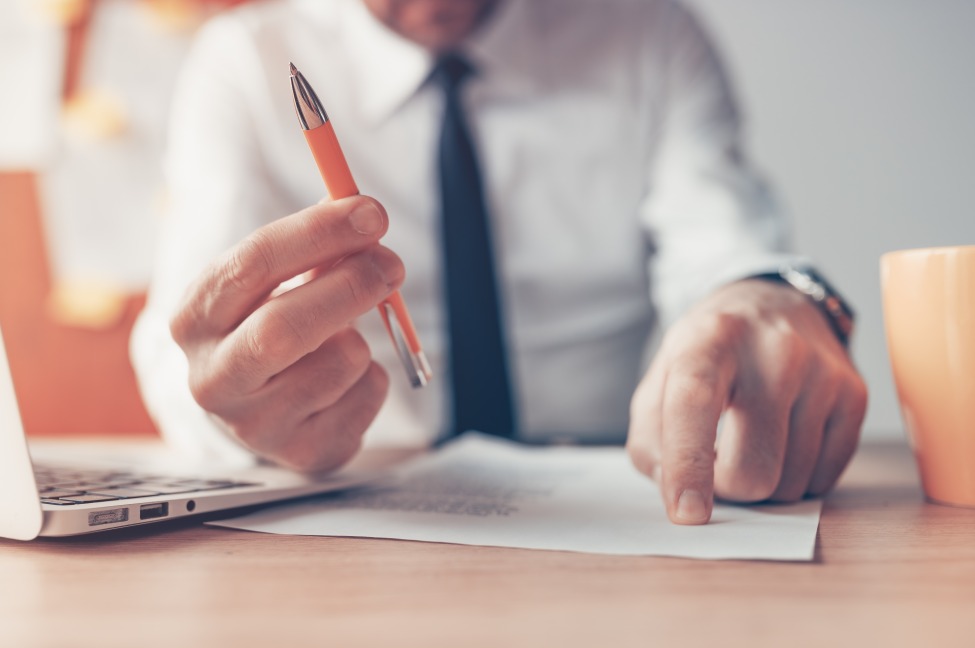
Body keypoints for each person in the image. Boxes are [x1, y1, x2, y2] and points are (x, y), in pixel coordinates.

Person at [131, 0, 868, 526]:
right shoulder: (243, 58)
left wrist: (759, 300)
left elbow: (726, 252)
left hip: (614, 505)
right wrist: (237, 406)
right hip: (355, 500)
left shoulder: (651, 34)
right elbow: (184, 351)